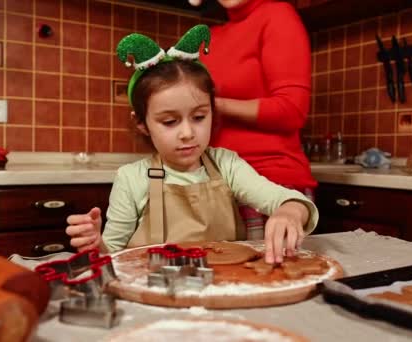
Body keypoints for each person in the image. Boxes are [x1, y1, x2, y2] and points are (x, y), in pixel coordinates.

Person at [65, 26, 318, 263]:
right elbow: (111, 256)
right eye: (170, 121)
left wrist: (290, 211)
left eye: (199, 117)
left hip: (225, 289)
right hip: (157, 294)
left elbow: (285, 200)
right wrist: (95, 244)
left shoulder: (227, 165)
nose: (187, 133)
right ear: (141, 123)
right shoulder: (131, 179)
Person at [194, 0, 317, 240]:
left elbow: (292, 109)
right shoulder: (210, 37)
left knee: (271, 274)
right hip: (215, 184)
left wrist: (211, 105)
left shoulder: (277, 15)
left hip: (269, 183)